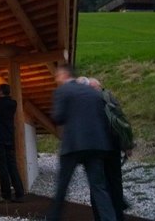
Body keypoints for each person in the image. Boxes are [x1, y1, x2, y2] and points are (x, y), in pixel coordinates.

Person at [47, 65, 117, 221]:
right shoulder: (93, 92)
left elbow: (58, 117)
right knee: (99, 188)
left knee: (62, 187)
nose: (56, 79)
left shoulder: (62, 91)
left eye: (57, 76)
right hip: (97, 144)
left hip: (73, 144)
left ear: (64, 74)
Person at [89, 77, 130, 221]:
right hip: (114, 147)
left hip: (98, 149)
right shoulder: (111, 97)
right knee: (116, 183)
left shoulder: (90, 101)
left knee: (98, 186)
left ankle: (101, 217)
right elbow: (123, 122)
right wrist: (127, 145)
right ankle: (119, 216)